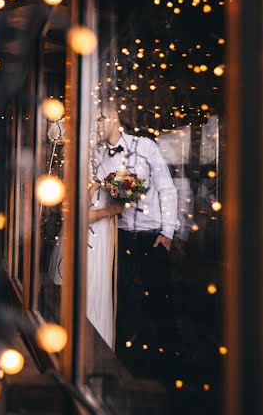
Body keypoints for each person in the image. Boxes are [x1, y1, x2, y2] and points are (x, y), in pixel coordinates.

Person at [92, 102, 179, 378]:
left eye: (100, 119)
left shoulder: (146, 147)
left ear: (115, 119)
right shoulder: (100, 158)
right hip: (123, 237)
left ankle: (171, 366)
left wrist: (168, 232)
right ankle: (125, 367)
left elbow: (167, 188)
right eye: (95, 121)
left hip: (153, 237)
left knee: (160, 300)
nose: (97, 125)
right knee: (125, 302)